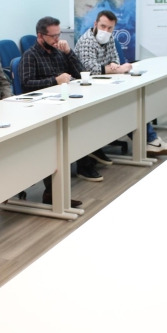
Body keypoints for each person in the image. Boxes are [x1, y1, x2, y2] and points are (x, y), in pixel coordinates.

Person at [74, 10, 167, 158]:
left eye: (110, 28)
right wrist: (113, 69)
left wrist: (114, 66)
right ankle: (150, 140)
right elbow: (89, 69)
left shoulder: (109, 39)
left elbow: (115, 60)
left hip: (105, 84)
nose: (106, 31)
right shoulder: (87, 41)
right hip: (89, 90)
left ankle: (150, 140)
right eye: (103, 26)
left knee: (133, 101)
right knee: (127, 104)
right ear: (95, 24)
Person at [20, 16, 101, 205]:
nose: (57, 40)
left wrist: (69, 53)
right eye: (53, 36)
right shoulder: (30, 56)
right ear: (40, 36)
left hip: (64, 103)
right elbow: (26, 85)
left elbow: (81, 73)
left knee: (83, 127)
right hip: (42, 109)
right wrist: (54, 81)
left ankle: (84, 165)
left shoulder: (59, 52)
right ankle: (53, 192)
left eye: (59, 35)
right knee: (54, 146)